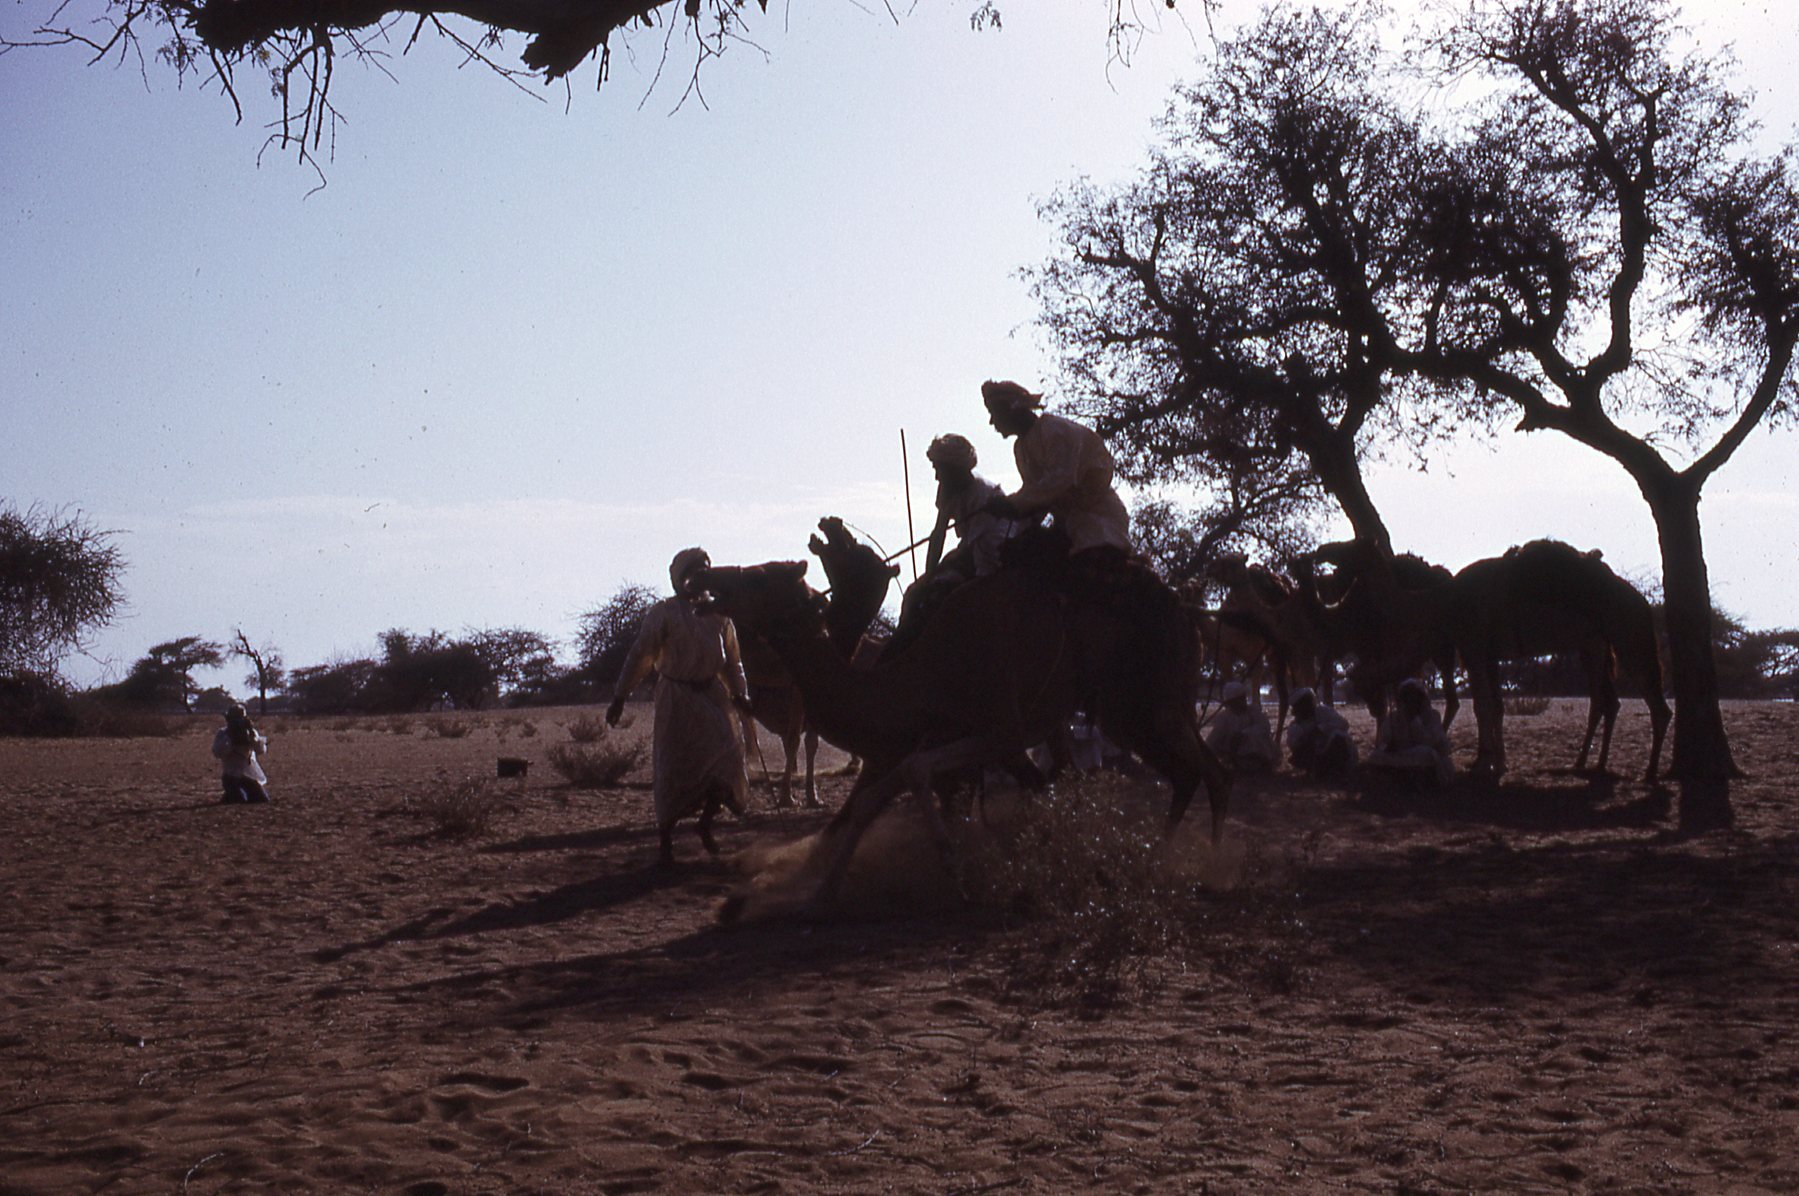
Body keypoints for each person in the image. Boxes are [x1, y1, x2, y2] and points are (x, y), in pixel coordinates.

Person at [607, 547, 753, 865]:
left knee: (726, 761)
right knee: (674, 767)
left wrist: (740, 694)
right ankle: (666, 842)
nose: (699, 577)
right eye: (694, 571)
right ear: (680, 577)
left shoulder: (719, 615)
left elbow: (733, 661)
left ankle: (705, 825)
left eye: (705, 571)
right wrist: (620, 696)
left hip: (712, 697)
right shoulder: (664, 614)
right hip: (676, 700)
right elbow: (641, 656)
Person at [980, 379, 1131, 560]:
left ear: (1011, 409)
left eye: (994, 414)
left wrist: (1012, 504)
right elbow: (1035, 496)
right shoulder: (1021, 448)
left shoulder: (1054, 430)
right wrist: (1018, 528)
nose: (991, 422)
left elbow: (1059, 482)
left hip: (1097, 522)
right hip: (1066, 526)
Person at [890, 433, 1013, 653]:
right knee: (914, 593)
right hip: (969, 552)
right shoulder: (947, 490)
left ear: (956, 470)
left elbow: (972, 552)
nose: (937, 477)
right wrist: (928, 575)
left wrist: (936, 575)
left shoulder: (984, 495)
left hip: (992, 558)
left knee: (942, 596)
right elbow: (938, 534)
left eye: (940, 470)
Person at [1363, 677, 1454, 787]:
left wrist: (1415, 722)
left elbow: (1433, 743)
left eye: (1413, 698)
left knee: (1426, 754)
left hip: (1422, 755)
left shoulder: (1432, 716)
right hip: (1400, 756)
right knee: (1375, 756)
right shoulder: (1393, 718)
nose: (1410, 702)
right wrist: (1387, 747)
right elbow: (1383, 742)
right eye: (1406, 698)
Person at [1284, 686, 1357, 782]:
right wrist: (1306, 738)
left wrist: (1320, 729)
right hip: (1317, 758)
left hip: (1339, 754)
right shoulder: (1296, 726)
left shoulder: (1324, 711)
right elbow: (1293, 745)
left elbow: (1343, 724)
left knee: (1337, 736)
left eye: (1309, 702)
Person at [1205, 680, 1278, 773]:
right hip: (1233, 755)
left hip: (1257, 754)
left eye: (1241, 699)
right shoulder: (1224, 718)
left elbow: (1264, 728)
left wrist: (1243, 734)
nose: (1240, 702)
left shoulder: (1254, 713)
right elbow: (1213, 740)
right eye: (1235, 701)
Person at [212, 702, 271, 803]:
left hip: (249, 776)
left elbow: (261, 750)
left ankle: (233, 793)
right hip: (231, 776)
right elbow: (217, 753)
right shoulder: (223, 733)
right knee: (240, 799)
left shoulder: (251, 732)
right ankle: (229, 795)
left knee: (262, 799)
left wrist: (252, 735)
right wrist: (230, 738)